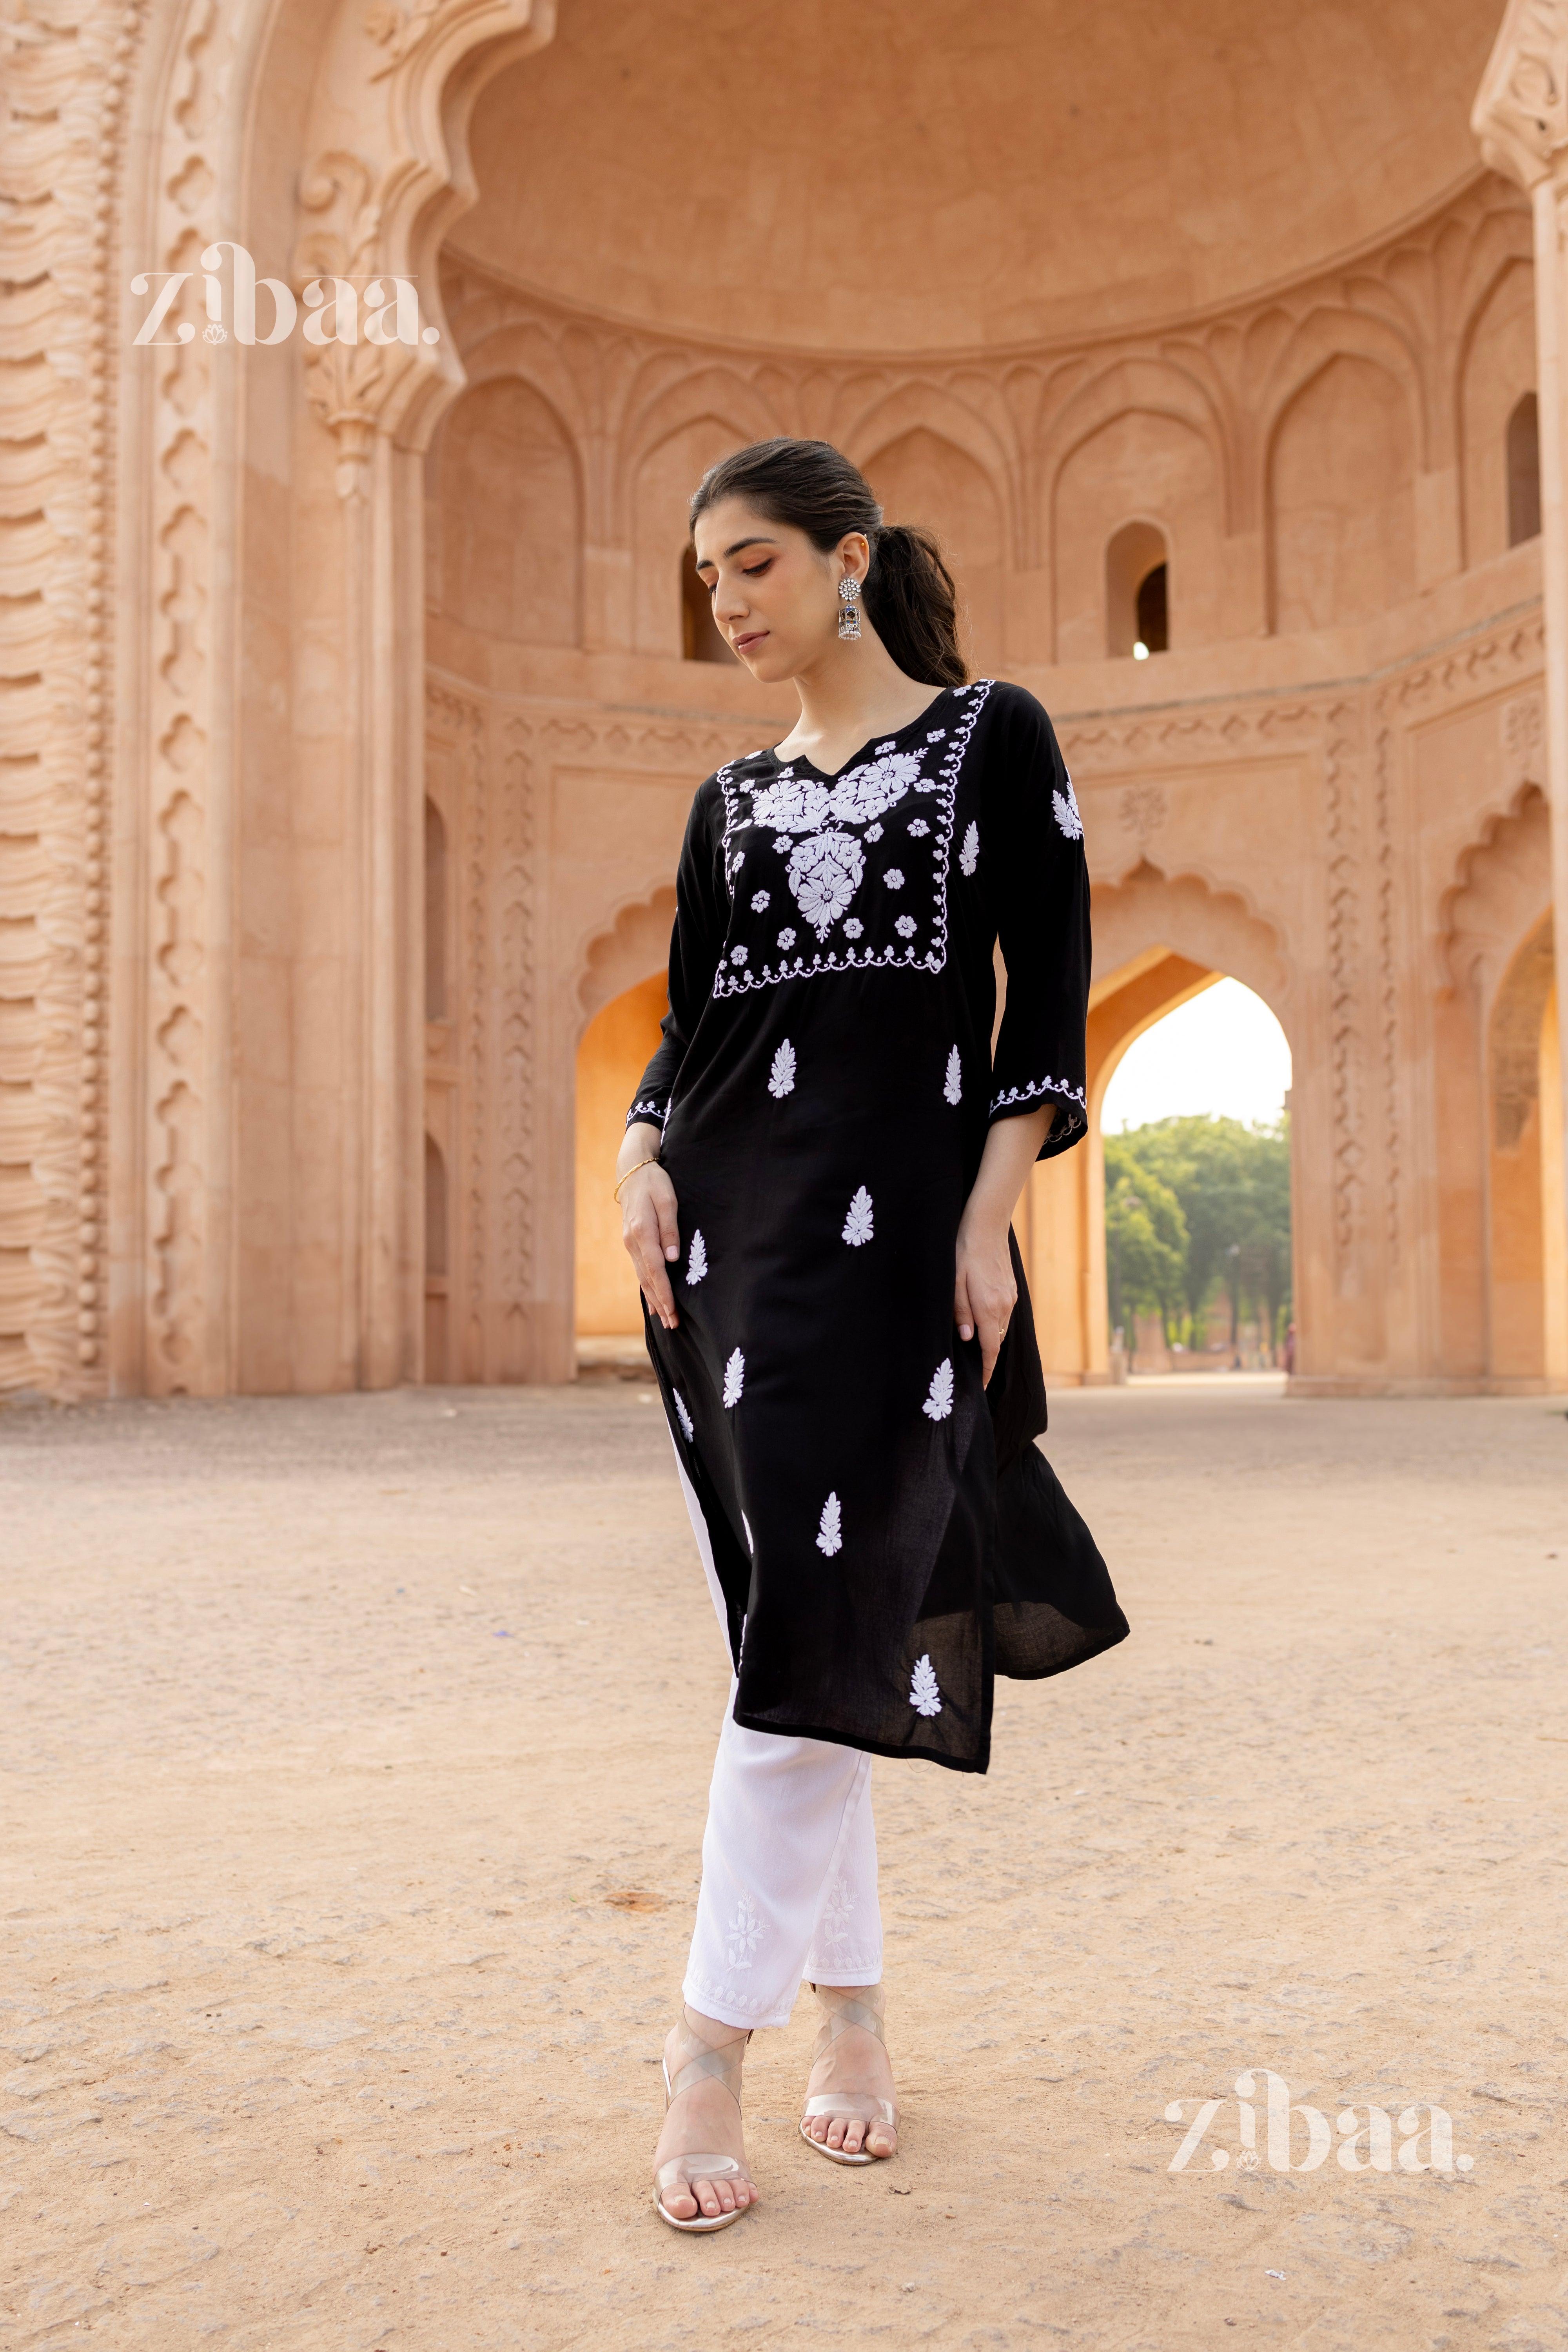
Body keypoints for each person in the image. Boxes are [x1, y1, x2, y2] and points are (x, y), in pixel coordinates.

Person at [615, 438, 1129, 2232]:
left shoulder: (995, 739)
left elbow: (1044, 1016)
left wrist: (988, 1225)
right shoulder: (727, 800)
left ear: (846, 563)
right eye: (706, 582)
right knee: (800, 1625)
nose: (728, 606)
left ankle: (705, 2046)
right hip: (730, 1252)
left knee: (814, 1626)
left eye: (751, 566)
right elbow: (686, 1030)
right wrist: (633, 1158)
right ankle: (851, 2016)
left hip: (902, 1245)